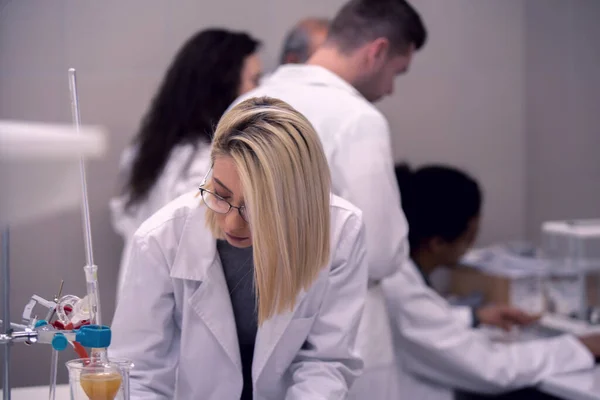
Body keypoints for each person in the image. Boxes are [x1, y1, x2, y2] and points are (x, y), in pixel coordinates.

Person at [109, 97, 368, 399]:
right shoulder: (161, 239)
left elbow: (325, 361)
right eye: (220, 195)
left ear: (297, 202)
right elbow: (138, 373)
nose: (231, 224)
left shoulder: (341, 231)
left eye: (256, 209)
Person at [232, 1, 427, 397]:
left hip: (256, 324)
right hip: (341, 330)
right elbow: (382, 254)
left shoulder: (245, 105)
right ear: (376, 52)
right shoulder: (357, 118)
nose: (390, 88)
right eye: (397, 72)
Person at [383, 164, 600, 400]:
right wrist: (579, 347)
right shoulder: (399, 289)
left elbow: (420, 324)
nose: (471, 244)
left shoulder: (399, 277)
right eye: (470, 236)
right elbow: (492, 369)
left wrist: (475, 316)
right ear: (437, 243)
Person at [110, 29, 262, 298]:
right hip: (178, 305)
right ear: (222, 85)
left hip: (143, 294)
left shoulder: (146, 151)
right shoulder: (213, 163)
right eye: (254, 80)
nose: (259, 91)